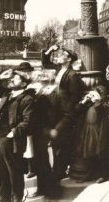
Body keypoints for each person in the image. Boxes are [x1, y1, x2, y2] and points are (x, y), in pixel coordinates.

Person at [0, 70, 34, 202]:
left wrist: (13, 133)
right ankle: (4, 198)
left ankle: (17, 198)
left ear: (24, 83)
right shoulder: (7, 94)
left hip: (12, 139)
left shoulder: (27, 99)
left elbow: (27, 121)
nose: (12, 79)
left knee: (14, 171)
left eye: (16, 78)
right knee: (0, 170)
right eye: (12, 77)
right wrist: (0, 76)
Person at [41, 45, 84, 183]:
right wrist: (50, 50)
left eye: (62, 54)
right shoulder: (59, 69)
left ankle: (60, 171)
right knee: (56, 142)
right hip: (55, 112)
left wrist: (68, 114)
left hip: (66, 114)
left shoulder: (72, 75)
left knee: (60, 140)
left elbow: (74, 97)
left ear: (69, 59)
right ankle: (59, 169)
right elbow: (46, 63)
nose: (58, 55)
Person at [73, 86, 109, 183]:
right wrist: (83, 101)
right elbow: (76, 110)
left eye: (94, 94)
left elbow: (103, 109)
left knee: (101, 153)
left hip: (99, 132)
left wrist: (97, 100)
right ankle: (90, 173)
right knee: (89, 153)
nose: (91, 96)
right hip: (88, 130)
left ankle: (104, 174)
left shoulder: (103, 105)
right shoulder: (88, 104)